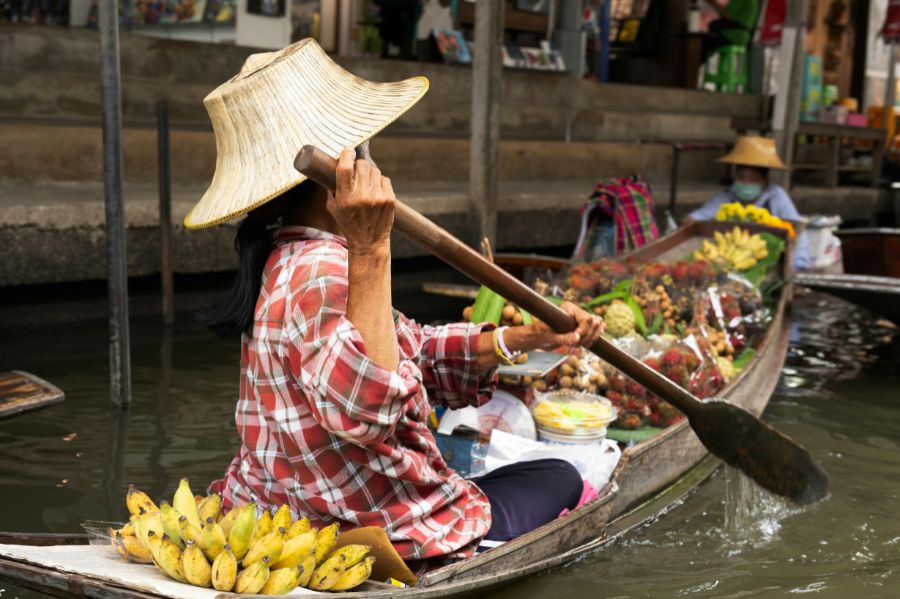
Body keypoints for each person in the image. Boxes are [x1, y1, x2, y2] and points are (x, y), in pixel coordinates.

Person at [184, 40, 606, 562]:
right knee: (563, 475)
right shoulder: (325, 270)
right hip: (370, 533)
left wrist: (522, 339)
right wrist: (372, 245)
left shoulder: (286, 257)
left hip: (289, 511)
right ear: (350, 168)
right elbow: (369, 412)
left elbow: (413, 349)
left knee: (523, 472)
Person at [686, 135, 811, 271]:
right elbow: (700, 215)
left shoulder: (776, 196)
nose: (746, 182)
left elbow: (796, 231)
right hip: (731, 261)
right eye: (741, 177)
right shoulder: (726, 196)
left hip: (771, 264)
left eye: (752, 179)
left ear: (764, 181)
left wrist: (798, 264)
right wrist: (690, 220)